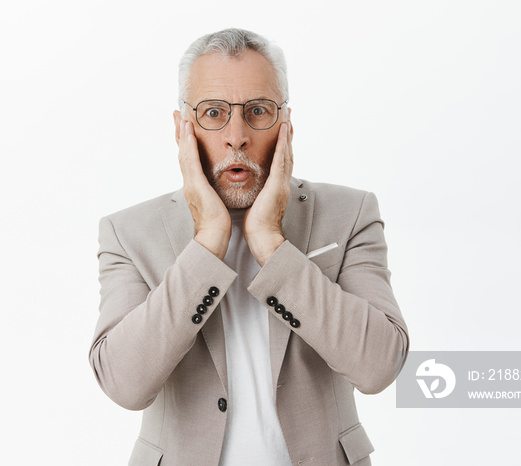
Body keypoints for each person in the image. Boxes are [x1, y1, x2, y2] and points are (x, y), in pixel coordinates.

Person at [89, 28, 409, 466]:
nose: (236, 135)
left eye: (257, 111)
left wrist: (270, 244)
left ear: (285, 125)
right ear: (183, 128)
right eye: (214, 113)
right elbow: (124, 384)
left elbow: (378, 368)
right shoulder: (129, 232)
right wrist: (207, 244)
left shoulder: (350, 213)